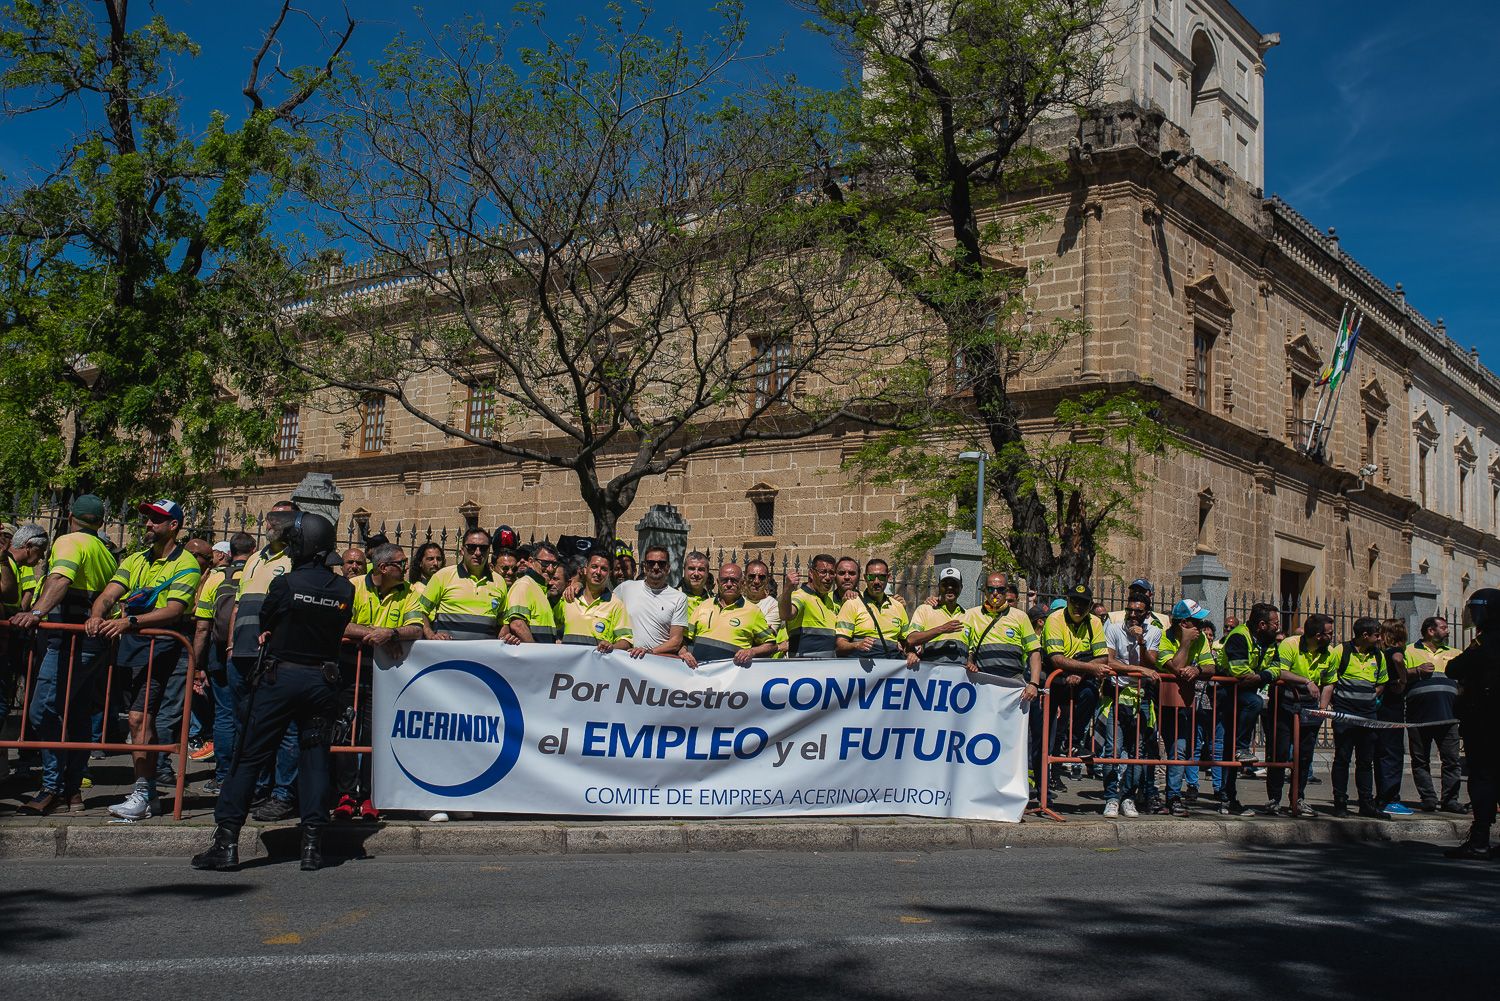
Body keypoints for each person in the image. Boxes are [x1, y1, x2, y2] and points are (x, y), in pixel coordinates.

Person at [192, 512, 353, 872]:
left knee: (248, 757)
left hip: (280, 678)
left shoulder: (286, 584)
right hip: (321, 681)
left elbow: (267, 620)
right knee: (314, 761)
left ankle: (226, 841)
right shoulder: (345, 588)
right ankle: (312, 845)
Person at [86, 500, 202, 820]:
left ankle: (143, 792)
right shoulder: (136, 558)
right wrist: (97, 615)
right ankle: (148, 793)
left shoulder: (187, 563)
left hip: (163, 646)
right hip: (132, 648)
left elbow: (176, 609)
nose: (148, 524)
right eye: (147, 519)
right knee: (138, 721)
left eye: (156, 519)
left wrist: (129, 623)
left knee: (139, 719)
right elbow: (110, 593)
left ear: (173, 525)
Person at [10, 496, 118, 816]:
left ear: (70, 516)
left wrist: (37, 611)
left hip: (69, 640)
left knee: (43, 710)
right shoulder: (106, 552)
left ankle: (54, 788)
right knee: (78, 714)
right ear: (100, 522)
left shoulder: (70, 541)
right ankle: (72, 792)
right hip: (92, 642)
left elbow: (60, 578)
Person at [336, 542, 425, 823]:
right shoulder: (352, 587)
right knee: (346, 735)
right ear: (384, 568)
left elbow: (417, 628)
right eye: (401, 563)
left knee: (374, 736)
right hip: (349, 673)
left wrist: (392, 633)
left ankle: (371, 795)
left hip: (385, 678)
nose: (406, 567)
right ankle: (346, 795)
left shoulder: (408, 593)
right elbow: (339, 623)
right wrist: (374, 633)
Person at [229, 501, 302, 822]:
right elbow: (239, 604)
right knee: (247, 726)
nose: (271, 521)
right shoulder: (256, 558)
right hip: (242, 655)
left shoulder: (296, 559)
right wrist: (231, 644)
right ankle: (255, 788)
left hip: (275, 657)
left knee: (284, 727)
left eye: (280, 517)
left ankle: (282, 793)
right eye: (270, 515)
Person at [963, 572, 1043, 799]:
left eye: (1000, 589)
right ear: (984, 592)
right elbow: (964, 647)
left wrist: (1034, 683)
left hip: (1013, 688)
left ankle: (1014, 790)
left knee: (1012, 741)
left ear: (1007, 591)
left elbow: (1034, 652)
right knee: (981, 737)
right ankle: (979, 788)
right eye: (991, 589)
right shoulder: (971, 615)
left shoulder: (1019, 617)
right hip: (983, 687)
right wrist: (968, 661)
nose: (995, 594)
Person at [193, 531, 254, 794]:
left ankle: (222, 776)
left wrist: (197, 664)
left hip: (218, 653)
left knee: (224, 715)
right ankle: (247, 776)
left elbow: (203, 627)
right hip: (250, 652)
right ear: (252, 550)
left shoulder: (215, 578)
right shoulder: (257, 574)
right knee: (249, 715)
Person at [1216, 602, 1291, 814]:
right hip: (1228, 693)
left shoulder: (1267, 640)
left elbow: (1277, 668)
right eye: (1275, 623)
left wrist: (1260, 677)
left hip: (1245, 692)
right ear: (1261, 624)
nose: (1278, 627)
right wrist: (1261, 677)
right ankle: (1227, 793)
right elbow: (1240, 674)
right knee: (1253, 705)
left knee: (1231, 747)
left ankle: (1228, 799)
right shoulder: (1240, 637)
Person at [1443, 588, 1500, 859]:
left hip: (1485, 722)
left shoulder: (1486, 641)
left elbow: (1454, 668)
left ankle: (1479, 840)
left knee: (1483, 778)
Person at [1042, 583, 1113, 787]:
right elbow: (1056, 659)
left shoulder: (1094, 623)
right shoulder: (1054, 619)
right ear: (1068, 601)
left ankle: (1072, 742)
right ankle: (1044, 783)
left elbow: (1102, 658)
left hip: (1077, 682)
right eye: (1074, 601)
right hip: (1053, 681)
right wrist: (1085, 668)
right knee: (1049, 732)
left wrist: (1080, 672)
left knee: (1090, 693)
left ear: (1090, 605)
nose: (1078, 607)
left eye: (1083, 603)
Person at [1268, 612, 1337, 817]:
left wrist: (1322, 709)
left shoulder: (1330, 653)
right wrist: (1305, 681)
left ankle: (1298, 798)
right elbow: (1280, 671)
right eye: (1329, 633)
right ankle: (1274, 799)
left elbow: (1329, 682)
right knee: (1279, 753)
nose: (1331, 636)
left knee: (1304, 756)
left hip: (1310, 707)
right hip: (1285, 703)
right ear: (1317, 635)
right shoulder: (1290, 644)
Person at [1100, 595, 1162, 817]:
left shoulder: (1154, 632)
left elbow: (1150, 663)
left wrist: (1141, 642)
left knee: (1138, 752)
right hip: (1117, 694)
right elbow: (1109, 660)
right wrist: (1138, 671)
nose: (1133, 615)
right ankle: (1110, 798)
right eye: (1130, 611)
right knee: (1113, 750)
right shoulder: (1114, 629)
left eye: (1138, 612)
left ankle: (1128, 797)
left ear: (1147, 614)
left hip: (1141, 698)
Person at [1322, 616, 1389, 818]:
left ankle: (1366, 802)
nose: (1379, 639)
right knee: (1342, 758)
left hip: (1368, 717)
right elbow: (1329, 680)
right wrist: (1329, 706)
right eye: (1376, 635)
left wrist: (1369, 699)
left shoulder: (1378, 656)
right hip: (1344, 715)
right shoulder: (1340, 651)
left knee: (1365, 761)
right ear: (1364, 635)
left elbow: (1382, 681)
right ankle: (1340, 801)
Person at [1159, 600, 1218, 816]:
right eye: (1196, 622)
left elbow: (1211, 666)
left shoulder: (1201, 638)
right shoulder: (1164, 637)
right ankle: (1143, 794)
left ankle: (1173, 796)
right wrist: (1184, 643)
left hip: (1182, 702)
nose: (1201, 626)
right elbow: (1175, 667)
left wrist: (1197, 668)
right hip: (1157, 701)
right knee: (1148, 749)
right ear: (1184, 623)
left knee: (1179, 748)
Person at [1405, 615, 1465, 814]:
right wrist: (1416, 670)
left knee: (1452, 760)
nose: (1448, 631)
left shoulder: (1456, 653)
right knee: (1421, 760)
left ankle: (1450, 800)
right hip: (1419, 717)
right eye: (1444, 627)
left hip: (1449, 716)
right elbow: (1398, 676)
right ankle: (1428, 798)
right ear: (1431, 631)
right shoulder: (1409, 651)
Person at [679, 563, 776, 668]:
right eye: (725, 580)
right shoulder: (703, 605)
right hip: (699, 673)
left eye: (734, 580)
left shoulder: (753, 611)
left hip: (731, 678)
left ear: (742, 583)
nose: (729, 584)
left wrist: (751, 651)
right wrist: (683, 651)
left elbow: (771, 645)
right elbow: (685, 638)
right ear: (718, 582)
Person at [419, 528, 506, 641]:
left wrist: (504, 637)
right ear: (462, 551)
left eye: (483, 548)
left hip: (483, 656)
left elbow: (503, 621)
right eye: (471, 547)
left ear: (489, 551)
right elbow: (420, 610)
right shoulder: (443, 576)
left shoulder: (499, 581)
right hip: (448, 655)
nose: (478, 552)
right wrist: (430, 634)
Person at [615, 545, 688, 658]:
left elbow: (676, 641)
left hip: (657, 663)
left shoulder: (679, 598)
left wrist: (649, 652)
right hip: (625, 661)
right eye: (651, 563)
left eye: (661, 563)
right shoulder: (625, 588)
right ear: (644, 567)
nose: (656, 567)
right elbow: (604, 603)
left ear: (668, 568)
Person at [835, 558, 913, 661]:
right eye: (871, 577)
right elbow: (840, 645)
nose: (876, 581)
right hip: (862, 670)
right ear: (865, 578)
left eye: (881, 577)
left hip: (891, 670)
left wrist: (911, 653)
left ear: (888, 577)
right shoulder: (852, 603)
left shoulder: (898, 606)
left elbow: (907, 642)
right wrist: (857, 645)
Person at [1374, 618, 1414, 815]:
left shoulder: (1379, 653)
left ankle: (1381, 795)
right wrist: (1404, 679)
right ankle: (1390, 797)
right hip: (1392, 706)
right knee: (1392, 752)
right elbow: (1398, 659)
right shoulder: (1394, 651)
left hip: (1379, 707)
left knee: (1380, 752)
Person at [559, 551, 633, 651]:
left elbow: (626, 641)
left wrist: (612, 646)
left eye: (603, 569)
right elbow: (551, 624)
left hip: (597, 665)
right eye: (594, 566)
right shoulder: (569, 597)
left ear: (609, 574)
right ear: (585, 570)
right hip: (569, 665)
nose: (598, 572)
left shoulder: (616, 604)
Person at [780, 553, 840, 658]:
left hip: (828, 668)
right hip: (805, 668)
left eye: (831, 573)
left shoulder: (830, 601)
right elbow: (786, 615)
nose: (828, 577)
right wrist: (787, 589)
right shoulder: (800, 596)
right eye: (823, 572)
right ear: (811, 573)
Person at [502, 543, 560, 643]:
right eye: (545, 563)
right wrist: (535, 653)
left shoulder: (540, 588)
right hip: (533, 656)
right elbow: (517, 624)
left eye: (554, 564)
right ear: (531, 561)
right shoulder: (524, 584)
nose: (550, 569)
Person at [908, 568, 967, 665]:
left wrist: (970, 661)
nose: (950, 588)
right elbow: (911, 639)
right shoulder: (925, 610)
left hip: (959, 678)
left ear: (961, 587)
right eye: (945, 585)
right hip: (931, 675)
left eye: (954, 584)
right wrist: (942, 629)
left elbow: (971, 650)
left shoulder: (968, 615)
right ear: (939, 587)